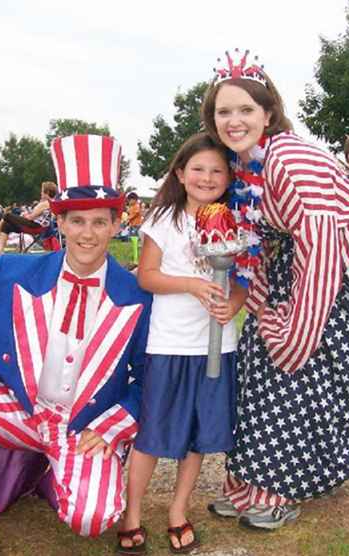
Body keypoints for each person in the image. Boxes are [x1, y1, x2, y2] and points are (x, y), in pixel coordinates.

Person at [0, 135, 152, 556]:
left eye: (99, 222)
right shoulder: (9, 272)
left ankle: (46, 472)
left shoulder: (136, 295)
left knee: (93, 519)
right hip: (18, 409)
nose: (87, 234)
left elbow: (151, 378)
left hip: (81, 425)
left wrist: (112, 425)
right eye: (77, 221)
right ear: (59, 223)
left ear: (117, 225)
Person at [199, 49, 349, 530]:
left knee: (294, 374)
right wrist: (262, 308)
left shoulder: (291, 160)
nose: (235, 120)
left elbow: (324, 248)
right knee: (257, 363)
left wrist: (298, 332)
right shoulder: (243, 163)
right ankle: (246, 483)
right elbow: (261, 243)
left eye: (246, 110)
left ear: (268, 113)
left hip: (344, 276)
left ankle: (278, 488)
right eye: (225, 111)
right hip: (294, 266)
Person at [118, 134, 242, 554]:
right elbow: (146, 276)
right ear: (179, 173)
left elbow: (243, 283)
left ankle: (177, 510)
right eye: (198, 169)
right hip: (169, 344)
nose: (207, 177)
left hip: (217, 345)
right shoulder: (162, 220)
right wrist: (191, 284)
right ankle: (131, 513)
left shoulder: (236, 219)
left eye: (217, 170)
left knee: (197, 436)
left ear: (229, 176)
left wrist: (234, 306)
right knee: (152, 434)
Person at [0, 181, 59, 257]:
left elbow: (31, 217)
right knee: (6, 225)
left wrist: (25, 215)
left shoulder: (45, 203)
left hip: (35, 226)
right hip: (39, 227)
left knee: (7, 215)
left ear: (47, 192)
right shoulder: (51, 203)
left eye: (42, 191)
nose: (40, 193)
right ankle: (0, 249)